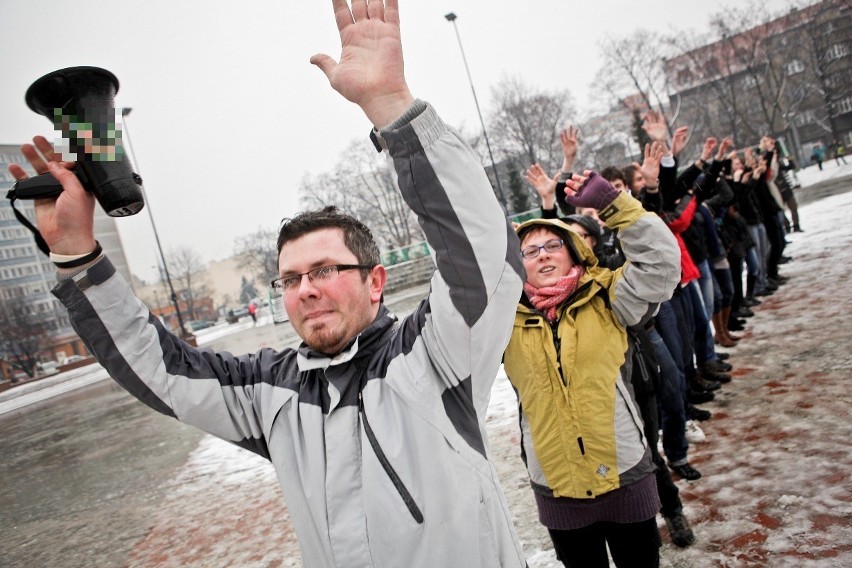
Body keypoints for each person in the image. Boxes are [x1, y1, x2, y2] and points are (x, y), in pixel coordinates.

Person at [8, 1, 528, 566]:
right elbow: (160, 370)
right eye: (290, 278)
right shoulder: (269, 394)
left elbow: (482, 256)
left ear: (376, 281)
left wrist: (392, 107)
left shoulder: (436, 356)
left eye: (326, 270)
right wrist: (79, 258)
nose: (306, 289)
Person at [503, 171, 681, 567]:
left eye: (553, 245)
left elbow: (662, 267)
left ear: (573, 252)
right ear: (518, 266)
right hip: (556, 482)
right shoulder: (501, 320)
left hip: (623, 473)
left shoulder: (607, 294)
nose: (543, 255)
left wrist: (614, 205)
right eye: (530, 252)